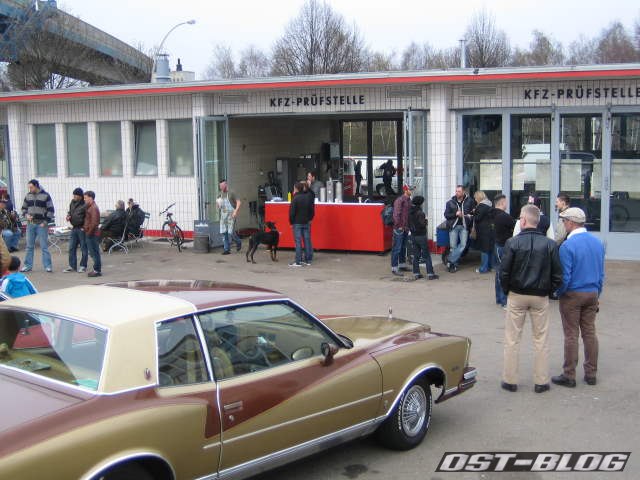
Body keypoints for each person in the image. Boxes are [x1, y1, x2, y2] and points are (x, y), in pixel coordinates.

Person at [500, 204, 563, 394]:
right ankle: (541, 381)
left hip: (517, 294)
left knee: (512, 339)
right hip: (540, 296)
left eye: (520, 217)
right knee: (541, 339)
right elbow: (558, 275)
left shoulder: (512, 243)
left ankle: (510, 380)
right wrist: (548, 290)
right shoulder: (550, 244)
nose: (519, 219)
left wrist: (507, 291)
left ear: (524, 220)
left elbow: (504, 272)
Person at [551, 207, 605, 388]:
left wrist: (559, 292)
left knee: (571, 334)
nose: (563, 224)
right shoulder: (597, 243)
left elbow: (565, 276)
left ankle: (569, 374)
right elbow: (601, 273)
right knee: (589, 332)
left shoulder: (567, 246)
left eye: (565, 221)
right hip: (592, 292)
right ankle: (591, 373)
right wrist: (598, 293)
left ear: (571, 223)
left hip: (573, 293)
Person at [21, 179, 54, 273]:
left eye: (31, 187)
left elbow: (51, 210)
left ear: (36, 186)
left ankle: (48, 266)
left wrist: (45, 222)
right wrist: (26, 215)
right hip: (30, 224)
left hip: (41, 224)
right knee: (29, 246)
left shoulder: (46, 196)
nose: (30, 189)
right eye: (29, 187)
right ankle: (27, 265)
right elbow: (23, 208)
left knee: (44, 246)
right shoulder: (28, 196)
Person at [443, 185, 475, 273]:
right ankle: (453, 265)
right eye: (456, 191)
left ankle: (450, 260)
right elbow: (446, 215)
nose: (457, 193)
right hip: (453, 226)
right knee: (453, 247)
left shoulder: (470, 201)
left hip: (464, 226)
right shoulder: (450, 202)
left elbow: (473, 213)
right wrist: (455, 214)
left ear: (463, 192)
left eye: (459, 191)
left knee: (463, 245)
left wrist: (468, 218)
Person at [492, 195, 516, 308]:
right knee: (503, 272)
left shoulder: (491, 214)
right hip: (503, 246)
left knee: (498, 272)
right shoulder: (504, 216)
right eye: (505, 202)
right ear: (501, 203)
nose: (507, 205)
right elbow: (516, 227)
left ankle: (499, 298)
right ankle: (503, 300)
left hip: (497, 245)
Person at [408, 195, 439, 281]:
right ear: (420, 203)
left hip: (413, 236)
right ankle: (430, 274)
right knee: (426, 255)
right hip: (421, 236)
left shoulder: (410, 212)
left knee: (416, 255)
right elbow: (422, 224)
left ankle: (416, 273)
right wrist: (426, 220)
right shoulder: (420, 213)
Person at [288, 181, 315, 267]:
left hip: (297, 223)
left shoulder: (295, 199)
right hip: (306, 222)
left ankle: (298, 261)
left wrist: (291, 222)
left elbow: (292, 213)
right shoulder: (308, 197)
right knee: (307, 240)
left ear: (296, 189)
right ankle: (308, 260)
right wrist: (310, 219)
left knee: (298, 242)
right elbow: (312, 210)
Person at [63, 188, 88, 273]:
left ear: (80, 196)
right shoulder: (72, 202)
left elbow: (87, 217)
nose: (74, 197)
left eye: (76, 195)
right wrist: (68, 216)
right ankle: (72, 266)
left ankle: (83, 266)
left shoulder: (85, 204)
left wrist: (84, 227)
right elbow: (70, 212)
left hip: (82, 228)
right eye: (73, 195)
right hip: (74, 228)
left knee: (83, 248)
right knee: (72, 247)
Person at [390, 184, 412, 276]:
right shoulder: (400, 200)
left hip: (405, 228)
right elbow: (396, 214)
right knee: (397, 248)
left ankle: (402, 265)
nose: (411, 191)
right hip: (399, 228)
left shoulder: (408, 200)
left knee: (403, 247)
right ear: (405, 190)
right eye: (410, 189)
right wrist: (398, 226)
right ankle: (394, 268)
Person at [217, 179, 242, 255]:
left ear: (226, 185)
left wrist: (235, 211)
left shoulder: (231, 193)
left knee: (230, 232)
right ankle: (226, 249)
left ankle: (238, 242)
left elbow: (238, 202)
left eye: (222, 185)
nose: (221, 187)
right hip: (223, 216)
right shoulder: (220, 194)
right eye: (220, 186)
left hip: (231, 215)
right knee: (224, 233)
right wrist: (218, 204)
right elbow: (218, 206)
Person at [473, 190, 494, 274]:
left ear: (478, 197)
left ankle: (483, 268)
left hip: (483, 230)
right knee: (489, 249)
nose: (475, 199)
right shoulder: (489, 204)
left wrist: (474, 213)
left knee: (484, 250)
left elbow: (477, 218)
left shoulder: (481, 206)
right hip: (490, 229)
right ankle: (490, 267)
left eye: (475, 198)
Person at [83, 191, 102, 277]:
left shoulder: (93, 208)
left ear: (90, 198)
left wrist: (89, 233)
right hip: (91, 233)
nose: (84, 199)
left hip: (92, 234)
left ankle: (97, 270)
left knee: (94, 252)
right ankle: (96, 269)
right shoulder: (90, 207)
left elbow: (94, 223)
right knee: (94, 252)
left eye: (85, 197)